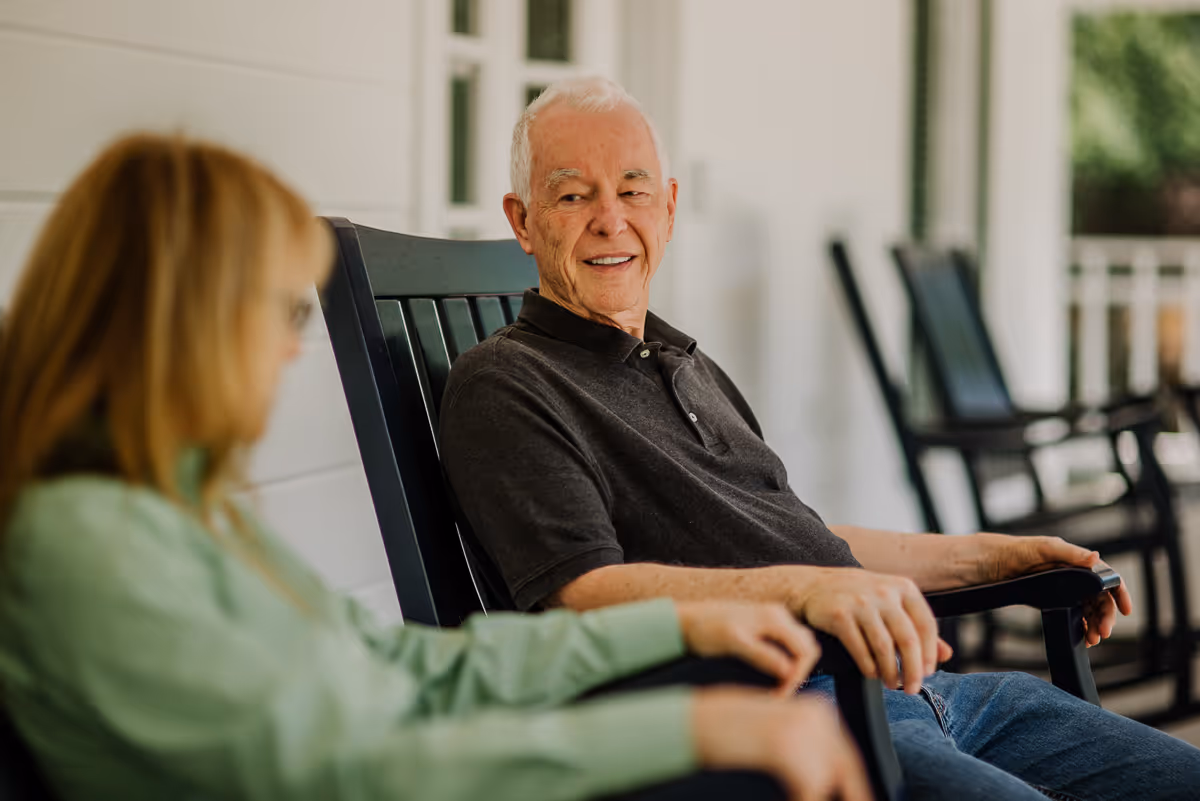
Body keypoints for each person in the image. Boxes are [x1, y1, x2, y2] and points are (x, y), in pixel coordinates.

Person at [0, 132, 873, 801]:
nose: (284, 350)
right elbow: (346, 772)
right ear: (172, 316)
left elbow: (409, 669)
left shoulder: (191, 516)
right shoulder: (83, 542)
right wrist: (691, 729)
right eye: (268, 309)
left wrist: (678, 629)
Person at [439, 76, 1200, 800]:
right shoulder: (508, 383)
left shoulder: (682, 361)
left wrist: (994, 552)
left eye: (632, 190)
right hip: (800, 711)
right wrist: (810, 591)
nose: (611, 219)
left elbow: (804, 537)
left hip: (932, 691)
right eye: (573, 195)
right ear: (522, 220)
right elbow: (585, 596)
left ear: (667, 209)